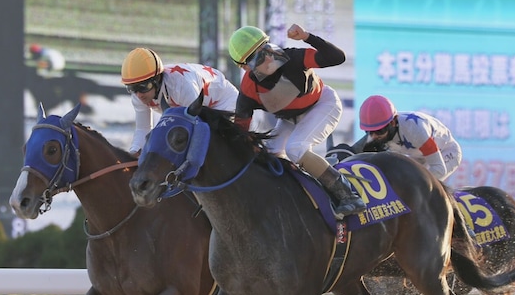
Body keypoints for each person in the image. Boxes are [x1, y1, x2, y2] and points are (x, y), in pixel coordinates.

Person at [228, 24, 365, 219]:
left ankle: (348, 195)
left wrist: (307, 37)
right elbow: (239, 132)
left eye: (266, 48)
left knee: (295, 148)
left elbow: (337, 57)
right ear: (244, 67)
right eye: (257, 57)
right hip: (290, 119)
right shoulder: (249, 90)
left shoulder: (292, 57)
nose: (268, 57)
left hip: (322, 104)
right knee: (269, 156)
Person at [120, 47, 239, 156]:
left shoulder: (182, 86)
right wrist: (133, 154)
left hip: (223, 102)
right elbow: (143, 129)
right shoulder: (138, 95)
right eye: (132, 88)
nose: (139, 94)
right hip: (197, 108)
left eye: (143, 87)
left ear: (157, 79)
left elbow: (197, 127)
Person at [358, 95, 462, 182]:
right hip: (419, 157)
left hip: (446, 152)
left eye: (379, 131)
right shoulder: (376, 132)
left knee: (421, 189)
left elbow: (439, 169)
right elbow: (353, 154)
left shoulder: (415, 130)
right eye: (369, 131)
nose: (374, 136)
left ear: (393, 122)